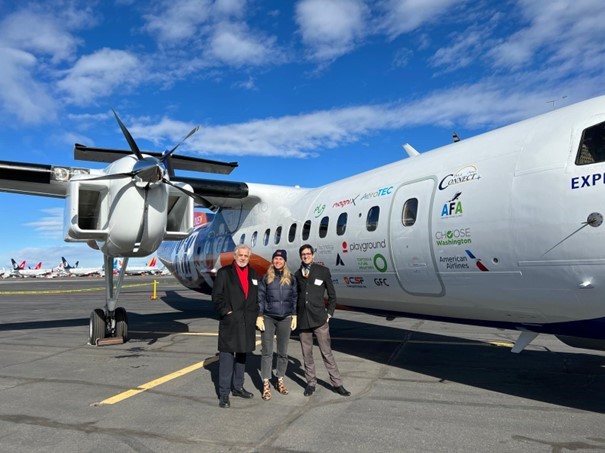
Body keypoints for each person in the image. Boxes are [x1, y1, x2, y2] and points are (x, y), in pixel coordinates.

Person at [294, 244, 351, 397]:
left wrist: (329, 314)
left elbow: (332, 296)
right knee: (307, 354)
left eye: (308, 253)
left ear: (313, 255)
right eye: (303, 254)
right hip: (303, 320)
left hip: (319, 319)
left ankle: (337, 383)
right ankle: (311, 383)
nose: (306, 256)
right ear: (301, 257)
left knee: (327, 353)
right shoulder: (297, 274)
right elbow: (296, 297)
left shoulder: (323, 271)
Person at [212, 244, 259, 408]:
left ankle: (238, 387)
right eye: (241, 255)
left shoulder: (253, 273)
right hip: (231, 322)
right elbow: (216, 297)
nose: (243, 258)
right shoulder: (224, 273)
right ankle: (224, 393)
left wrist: (255, 314)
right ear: (235, 256)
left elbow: (255, 297)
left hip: (247, 322)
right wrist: (226, 311)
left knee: (242, 356)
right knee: (226, 358)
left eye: (246, 256)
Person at [257, 249, 298, 401]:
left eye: (281, 259)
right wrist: (260, 316)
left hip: (285, 318)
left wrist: (294, 315)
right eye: (275, 259)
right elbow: (260, 297)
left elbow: (294, 298)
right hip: (268, 317)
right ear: (272, 261)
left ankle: (280, 379)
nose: (278, 261)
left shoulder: (291, 279)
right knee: (267, 352)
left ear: (284, 261)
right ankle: (266, 383)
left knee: (283, 352)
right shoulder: (266, 278)